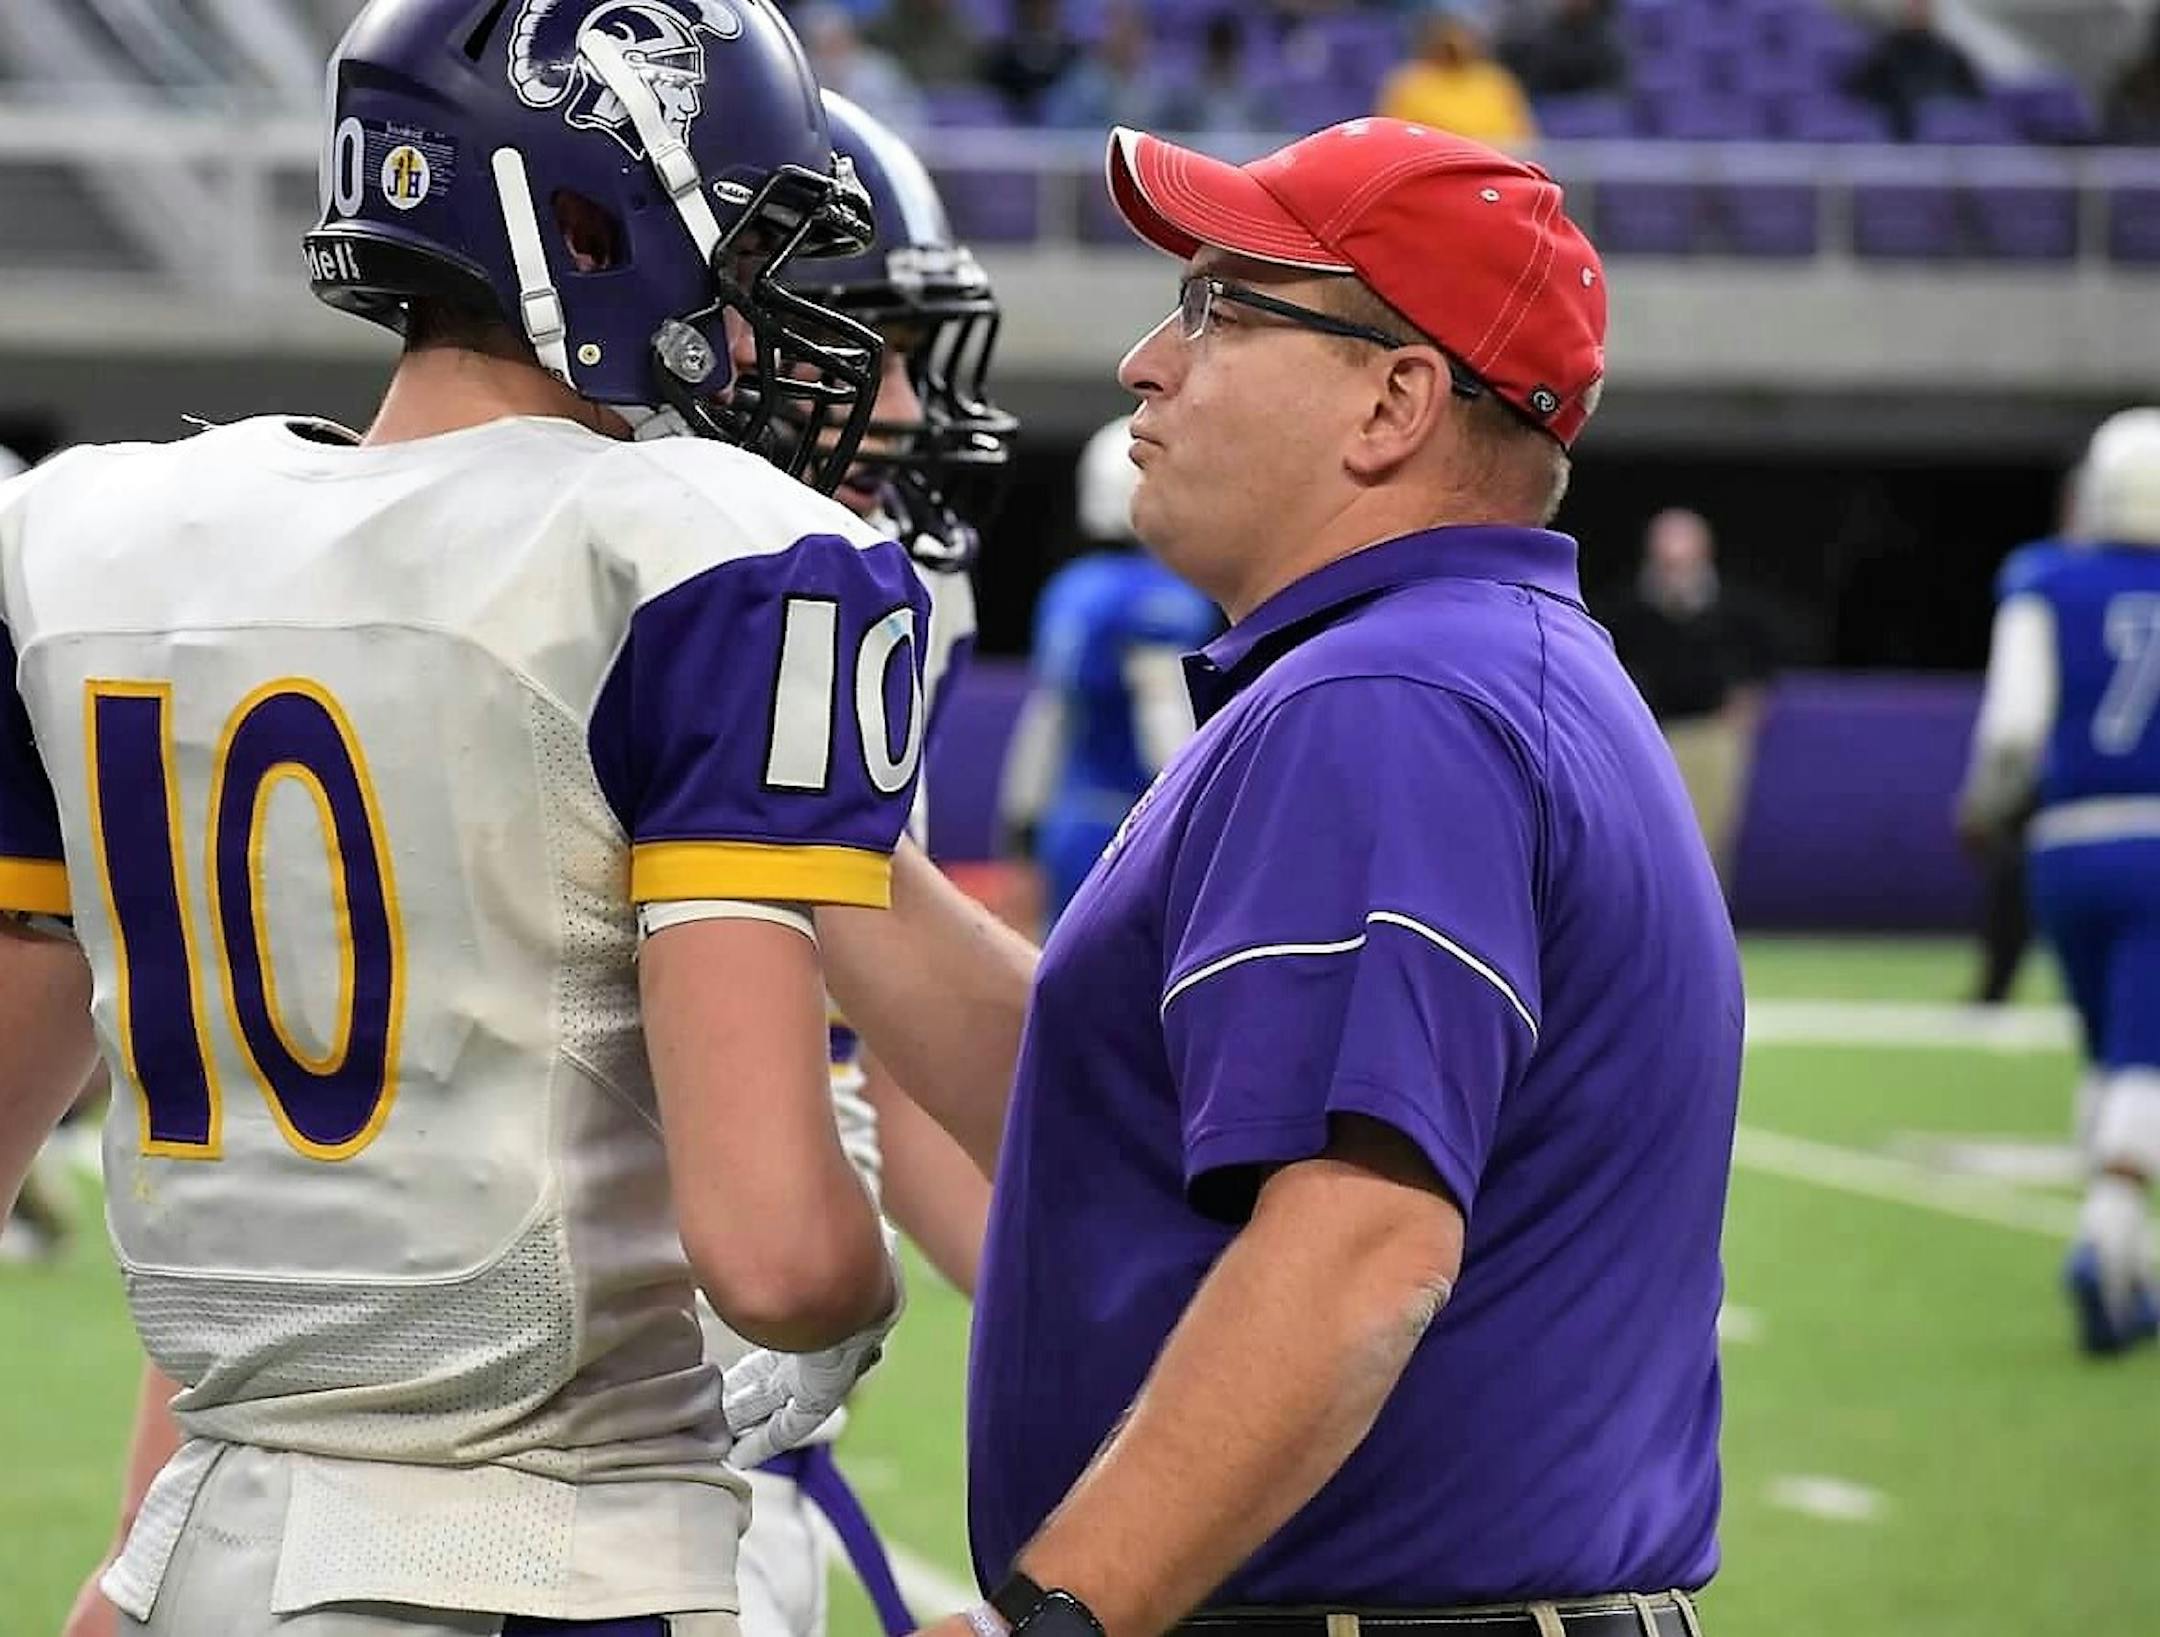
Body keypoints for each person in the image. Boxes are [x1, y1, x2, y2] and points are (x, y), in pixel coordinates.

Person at [15, 3, 929, 1633]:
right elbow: (776, 1255)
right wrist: (850, 1288)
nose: (771, 301)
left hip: (205, 1547)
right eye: (749, 236)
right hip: (552, 1558)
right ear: (594, 218)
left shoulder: (83, 541)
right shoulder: (706, 552)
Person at [844, 116, 1740, 1637]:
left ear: (1394, 401)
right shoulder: (1441, 667)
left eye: (1217, 308)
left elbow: (1363, 1244)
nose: (1146, 360)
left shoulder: (1389, 698)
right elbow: (1108, 1108)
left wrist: (1056, 1614)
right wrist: (794, 846)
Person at [721, 89, 1013, 1637]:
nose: (897, 406)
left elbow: (890, 1045)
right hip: (518, 1438)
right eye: (849, 338)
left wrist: (1105, 1314)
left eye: (909, 348)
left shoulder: (885, 599)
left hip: (732, 1451)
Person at [1960, 406, 2160, 1357]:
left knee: (2104, 1046)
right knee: (2142, 1052)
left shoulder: (2048, 577)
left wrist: (1991, 805)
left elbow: (2011, 730)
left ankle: (2127, 1257)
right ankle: (2110, 1239)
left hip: (2067, 847)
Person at [998, 415, 1217, 925]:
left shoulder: (1073, 588)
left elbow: (1049, 714)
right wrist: (1197, 817)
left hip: (1068, 815)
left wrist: (1021, 823)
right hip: (1134, 816)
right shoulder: (1159, 594)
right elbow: (1163, 719)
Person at [1601, 508, 1791, 876]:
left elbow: (1768, 660)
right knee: (1645, 833)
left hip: (1711, 733)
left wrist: (1748, 700)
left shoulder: (1737, 610)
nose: (1674, 567)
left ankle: (1707, 926)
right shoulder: (1625, 610)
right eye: (1666, 558)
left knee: (1707, 839)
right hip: (1645, 734)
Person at [1377, 10, 1538, 149]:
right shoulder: (1409, 83)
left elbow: (1523, 135)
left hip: (1497, 160)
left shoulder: (1495, 80)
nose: (1455, 45)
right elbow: (1397, 137)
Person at [1842, 0, 1983, 142]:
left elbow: (1971, 88)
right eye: (1913, 8)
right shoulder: (1890, 48)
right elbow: (1863, 82)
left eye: (1921, 8)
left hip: (1934, 107)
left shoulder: (1946, 51)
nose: (1916, 13)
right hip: (1897, 112)